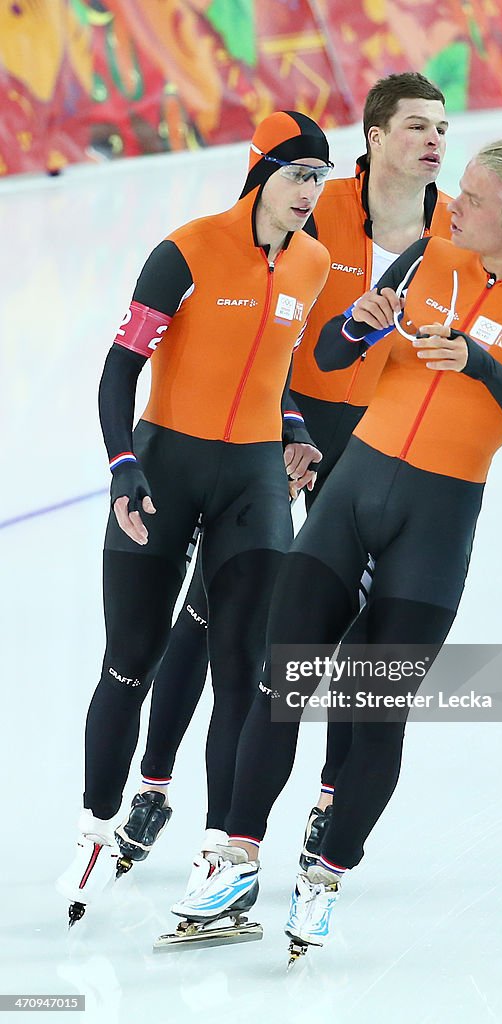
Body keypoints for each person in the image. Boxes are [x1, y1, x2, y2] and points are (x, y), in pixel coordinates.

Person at [171, 138, 502, 957]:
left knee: (372, 716)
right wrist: (355, 324)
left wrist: (486, 368)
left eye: (468, 198)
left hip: (431, 535)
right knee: (281, 679)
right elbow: (329, 352)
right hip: (349, 502)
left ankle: (325, 877)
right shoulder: (425, 258)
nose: (451, 206)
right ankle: (236, 855)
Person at [115, 73, 456, 884]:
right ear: (375, 138)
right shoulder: (317, 204)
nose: (434, 141)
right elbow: (263, 319)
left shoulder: (456, 227)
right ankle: (155, 785)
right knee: (216, 612)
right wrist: (285, 423)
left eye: (442, 128)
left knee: (355, 631)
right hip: (287, 427)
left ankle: (332, 797)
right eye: (415, 127)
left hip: (386, 445)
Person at [56, 110, 334, 923]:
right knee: (130, 660)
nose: (308, 195)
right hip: (165, 470)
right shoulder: (183, 251)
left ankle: (223, 851)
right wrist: (122, 467)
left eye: (318, 180)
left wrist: (295, 428)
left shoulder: (313, 264)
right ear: (259, 172)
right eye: (296, 176)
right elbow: (119, 370)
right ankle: (97, 824)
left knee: (244, 670)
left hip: (252, 479)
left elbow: (273, 369)